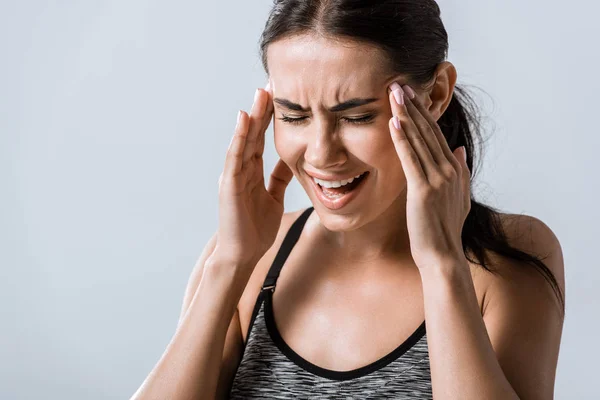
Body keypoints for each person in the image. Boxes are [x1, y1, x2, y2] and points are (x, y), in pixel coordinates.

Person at [131, 1, 565, 399]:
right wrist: (229, 263)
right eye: (293, 116)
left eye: (357, 116)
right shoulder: (250, 258)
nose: (320, 154)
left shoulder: (508, 258)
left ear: (434, 96)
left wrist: (442, 264)